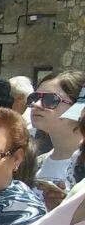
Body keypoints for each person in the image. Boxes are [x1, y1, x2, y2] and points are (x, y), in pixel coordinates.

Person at [28, 71, 83, 210]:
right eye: (34, 97)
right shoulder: (32, 163)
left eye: (50, 100)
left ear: (80, 107)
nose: (36, 104)